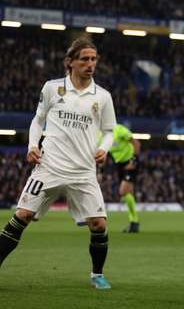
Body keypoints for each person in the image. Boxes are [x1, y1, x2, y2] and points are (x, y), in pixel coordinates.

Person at [0, 38, 116, 290]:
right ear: (70, 62)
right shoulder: (52, 88)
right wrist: (33, 145)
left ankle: (97, 275)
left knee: (99, 224)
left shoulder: (103, 96)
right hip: (49, 166)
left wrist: (104, 148)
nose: (90, 64)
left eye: (93, 59)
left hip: (83, 171)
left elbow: (109, 130)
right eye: (84, 59)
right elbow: (38, 120)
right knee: (23, 215)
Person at [108, 123, 141, 233]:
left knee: (123, 191)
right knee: (128, 194)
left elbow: (136, 143)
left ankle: (134, 221)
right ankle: (134, 222)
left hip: (130, 163)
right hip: (119, 165)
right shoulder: (100, 136)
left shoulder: (119, 129)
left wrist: (133, 161)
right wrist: (100, 171)